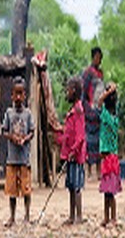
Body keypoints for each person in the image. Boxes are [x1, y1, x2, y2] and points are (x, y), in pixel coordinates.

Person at [2, 76, 35, 227]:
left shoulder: (28, 114)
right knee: (12, 191)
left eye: (21, 93)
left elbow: (32, 132)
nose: (18, 97)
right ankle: (12, 217)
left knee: (26, 189)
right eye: (16, 94)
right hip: (12, 159)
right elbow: (4, 131)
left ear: (25, 95)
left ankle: (27, 215)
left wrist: (25, 139)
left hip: (24, 159)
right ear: (11, 95)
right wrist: (12, 137)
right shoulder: (9, 113)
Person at [55, 76, 86, 225]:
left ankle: (78, 216)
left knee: (77, 187)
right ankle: (72, 216)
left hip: (76, 156)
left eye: (67, 90)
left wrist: (74, 150)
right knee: (71, 186)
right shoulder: (73, 110)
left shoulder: (78, 110)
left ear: (73, 91)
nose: (66, 93)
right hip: (70, 155)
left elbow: (80, 136)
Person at [97, 82, 121, 226]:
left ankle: (113, 218)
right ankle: (106, 218)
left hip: (111, 157)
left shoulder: (109, 116)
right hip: (107, 159)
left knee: (110, 192)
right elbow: (100, 102)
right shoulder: (108, 115)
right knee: (107, 192)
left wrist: (110, 90)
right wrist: (111, 90)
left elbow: (99, 101)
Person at [82, 46, 105, 179]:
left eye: (100, 58)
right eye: (97, 57)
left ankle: (98, 171)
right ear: (93, 57)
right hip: (90, 111)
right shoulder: (87, 73)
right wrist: (86, 109)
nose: (99, 60)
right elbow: (84, 93)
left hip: (99, 111)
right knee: (89, 142)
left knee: (98, 143)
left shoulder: (100, 73)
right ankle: (89, 172)